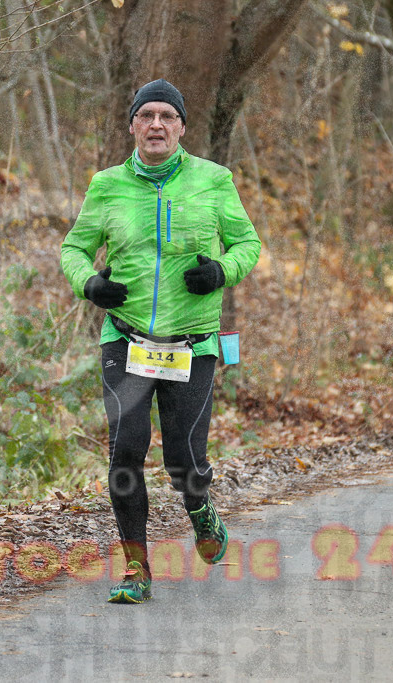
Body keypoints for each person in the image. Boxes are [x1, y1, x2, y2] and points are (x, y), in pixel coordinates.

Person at [60, 78, 261, 604]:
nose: (156, 124)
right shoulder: (107, 186)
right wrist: (90, 284)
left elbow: (248, 243)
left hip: (192, 344)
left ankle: (200, 508)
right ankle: (136, 570)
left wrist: (221, 271)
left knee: (184, 460)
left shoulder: (213, 180)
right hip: (125, 339)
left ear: (181, 128)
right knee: (125, 452)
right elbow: (74, 249)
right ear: (131, 125)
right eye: (146, 115)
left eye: (167, 116)